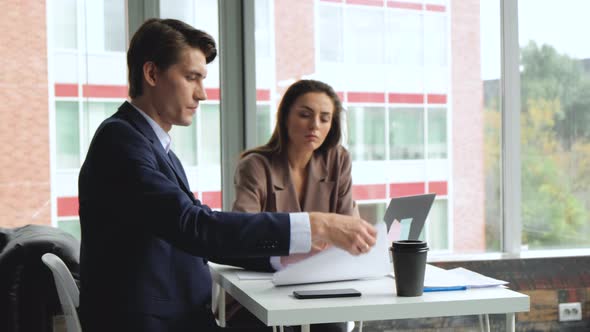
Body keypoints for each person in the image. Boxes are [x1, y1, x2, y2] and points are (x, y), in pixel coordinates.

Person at [77, 18, 377, 332]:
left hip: (178, 317)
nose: (202, 94)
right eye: (191, 77)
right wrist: (316, 224)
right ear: (151, 73)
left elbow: (194, 228)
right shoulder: (120, 141)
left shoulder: (152, 145)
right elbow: (194, 225)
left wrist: (283, 260)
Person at [229, 80, 354, 332]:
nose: (314, 126)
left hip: (320, 285)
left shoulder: (337, 160)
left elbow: (349, 228)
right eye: (305, 115)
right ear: (285, 117)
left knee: (334, 327)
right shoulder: (255, 165)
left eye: (325, 118)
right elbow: (242, 235)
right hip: (263, 290)